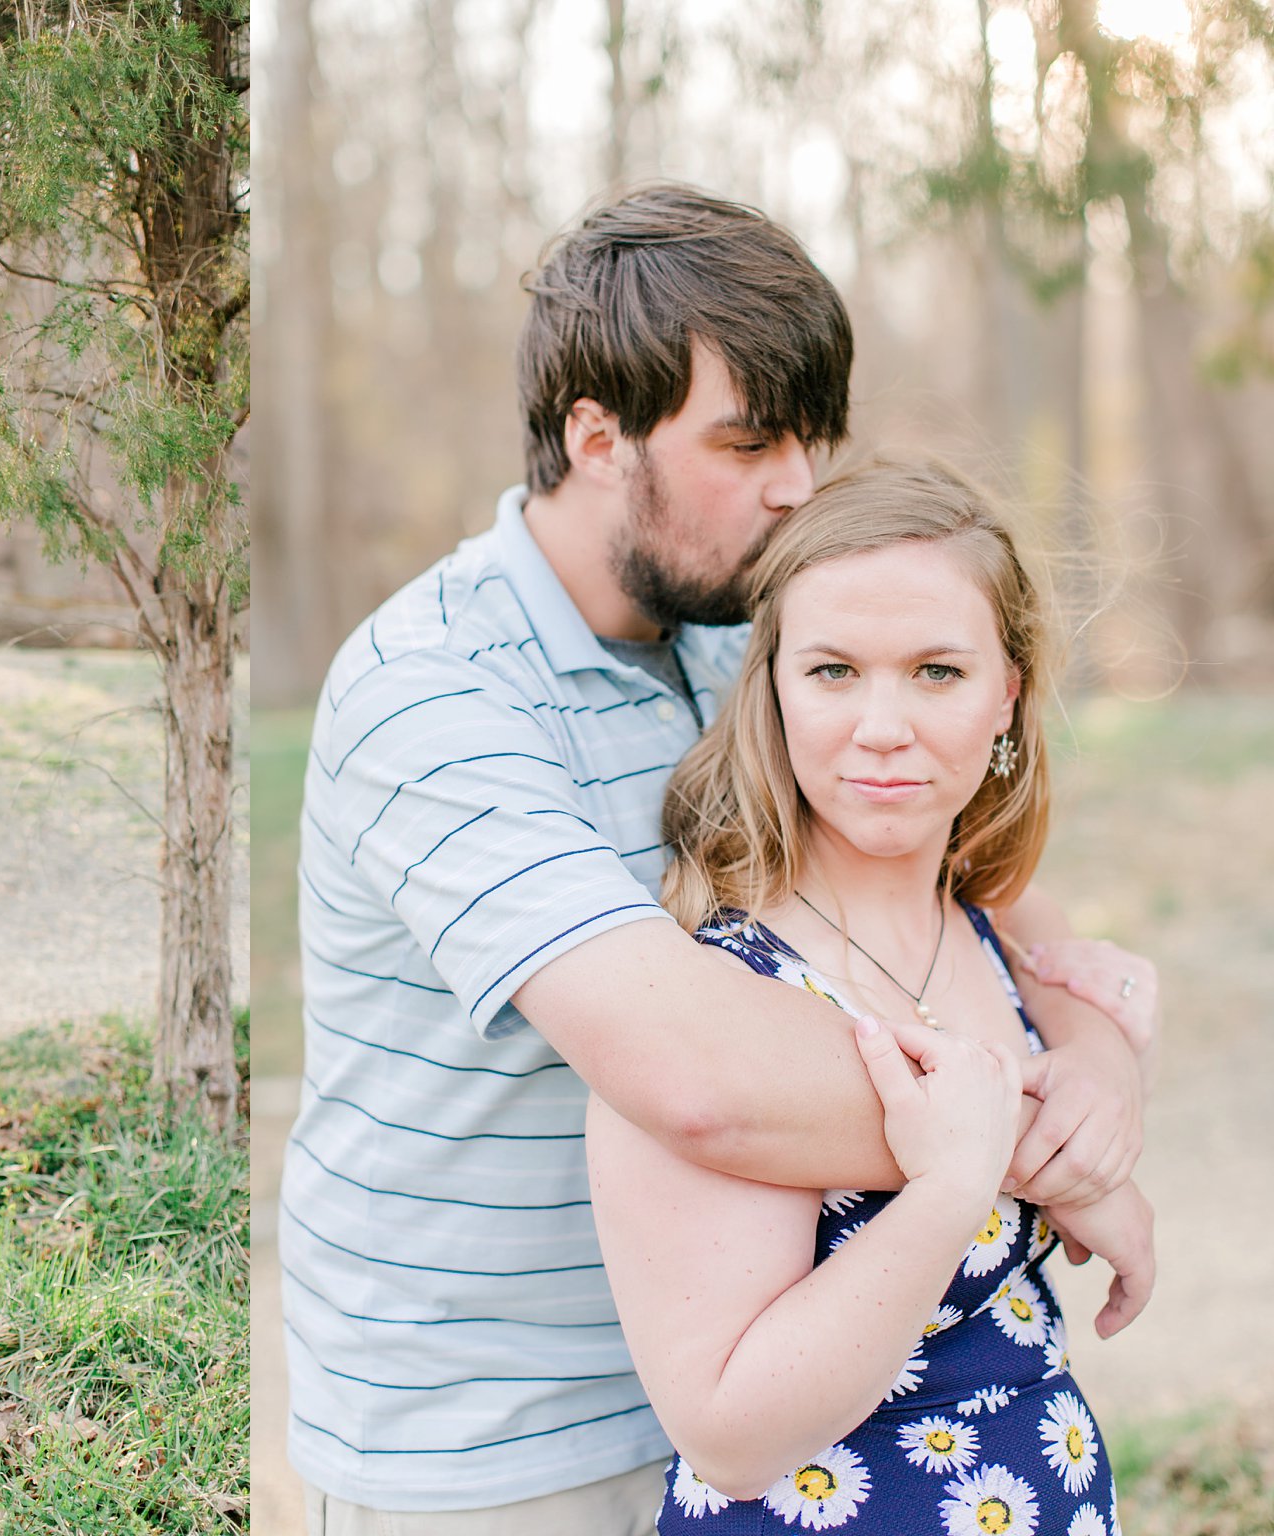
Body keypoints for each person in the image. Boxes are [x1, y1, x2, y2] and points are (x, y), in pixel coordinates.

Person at [281, 185, 1156, 1535]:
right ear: (595, 438)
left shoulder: (737, 631)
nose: (799, 484)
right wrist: (1033, 1148)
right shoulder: (432, 690)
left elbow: (971, 892)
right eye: (748, 443)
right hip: (500, 1441)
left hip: (786, 1380)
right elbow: (694, 1077)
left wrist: (1094, 1058)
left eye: (813, 440)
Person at [590, 458, 1147, 1532]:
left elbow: (1086, 1049)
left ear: (1006, 693)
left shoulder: (990, 934)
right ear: (774, 689)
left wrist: (1107, 1091)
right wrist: (948, 1190)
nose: (880, 726)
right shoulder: (722, 993)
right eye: (833, 671)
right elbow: (728, 1433)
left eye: (935, 672)